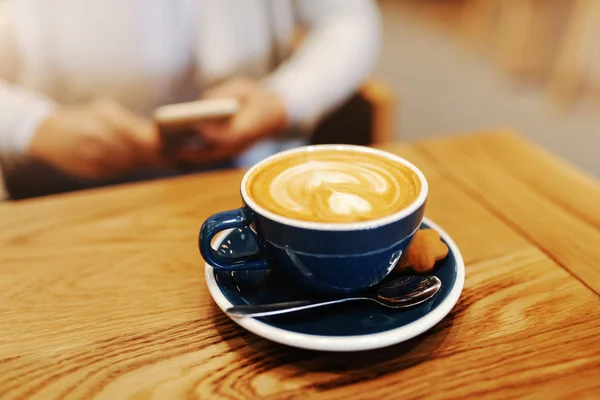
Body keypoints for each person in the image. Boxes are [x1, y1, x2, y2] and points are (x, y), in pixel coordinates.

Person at [0, 0, 382, 200]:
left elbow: (348, 20)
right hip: (59, 183)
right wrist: (31, 125)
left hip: (244, 172)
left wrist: (283, 100)